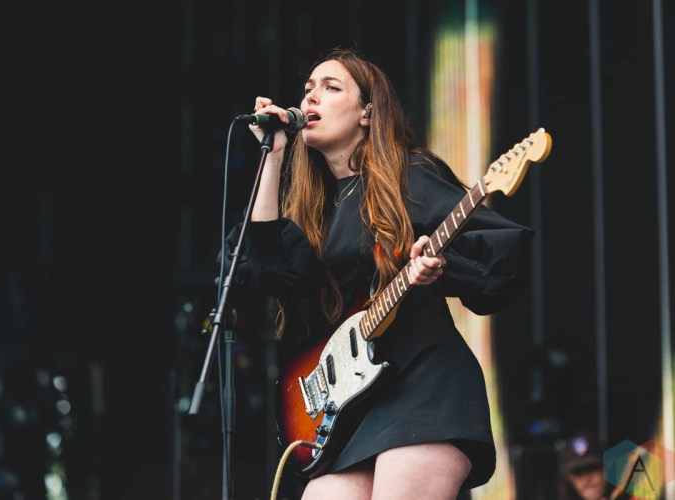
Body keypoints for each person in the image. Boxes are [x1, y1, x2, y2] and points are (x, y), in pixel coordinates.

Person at [224, 48, 533, 498]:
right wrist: (272, 156)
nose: (311, 98)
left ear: (367, 113)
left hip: (421, 386)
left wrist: (442, 266)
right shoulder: (313, 210)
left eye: (331, 88)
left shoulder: (410, 177)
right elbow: (268, 268)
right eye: (308, 89)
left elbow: (498, 254)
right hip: (349, 409)